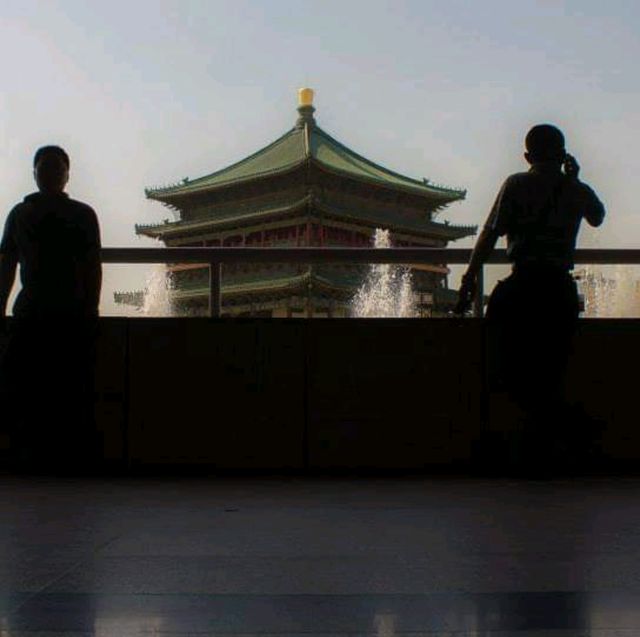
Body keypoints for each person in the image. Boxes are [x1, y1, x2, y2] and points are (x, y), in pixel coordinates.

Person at [454, 124, 605, 472]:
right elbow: (597, 216)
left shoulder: (517, 184)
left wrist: (467, 283)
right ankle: (554, 450)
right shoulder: (574, 188)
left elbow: (489, 236)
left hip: (522, 288)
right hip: (559, 291)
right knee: (554, 371)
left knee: (506, 364)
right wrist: (576, 178)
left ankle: (515, 448)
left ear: (527, 156)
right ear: (563, 153)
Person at [0, 145, 102, 473]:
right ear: (35, 173)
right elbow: (6, 267)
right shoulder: (73, 215)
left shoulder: (25, 214)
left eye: (56, 168)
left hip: (55, 311)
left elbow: (92, 267)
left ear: (66, 174)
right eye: (46, 168)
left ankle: (35, 455)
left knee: (48, 389)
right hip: (48, 311)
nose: (51, 173)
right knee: (50, 388)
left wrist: (91, 308)